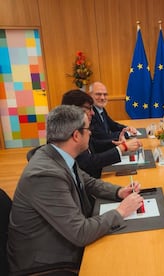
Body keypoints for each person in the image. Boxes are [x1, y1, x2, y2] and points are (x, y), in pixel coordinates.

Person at [7, 105, 144, 274]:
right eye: (88, 128)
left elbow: (88, 182)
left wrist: (118, 192)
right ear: (76, 135)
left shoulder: (56, 154)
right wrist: (121, 211)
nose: (91, 133)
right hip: (47, 263)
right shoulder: (46, 176)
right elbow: (80, 233)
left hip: (63, 238)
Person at [61, 89, 142, 178]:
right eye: (89, 109)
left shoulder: (78, 126)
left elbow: (94, 145)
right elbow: (88, 163)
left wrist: (116, 143)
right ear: (76, 110)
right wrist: (122, 148)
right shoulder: (68, 135)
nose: (92, 113)